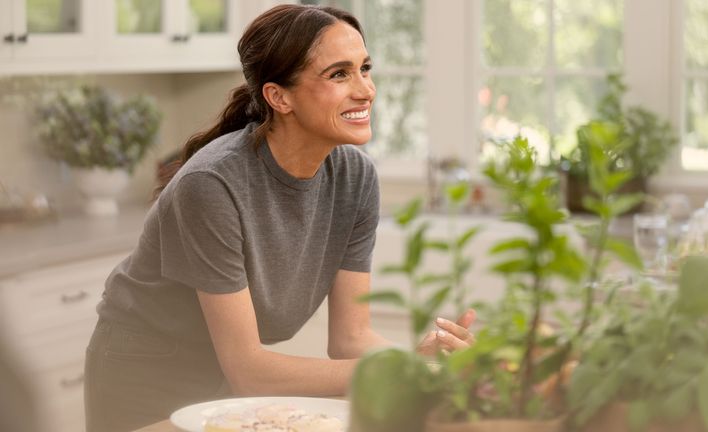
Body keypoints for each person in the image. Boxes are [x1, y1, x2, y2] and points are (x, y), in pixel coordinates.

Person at [84, 4, 475, 432]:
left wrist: (425, 361)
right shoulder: (212, 184)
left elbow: (350, 338)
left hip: (230, 375)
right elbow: (250, 371)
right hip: (146, 373)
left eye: (365, 68)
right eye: (339, 74)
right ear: (279, 96)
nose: (365, 90)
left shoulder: (355, 177)